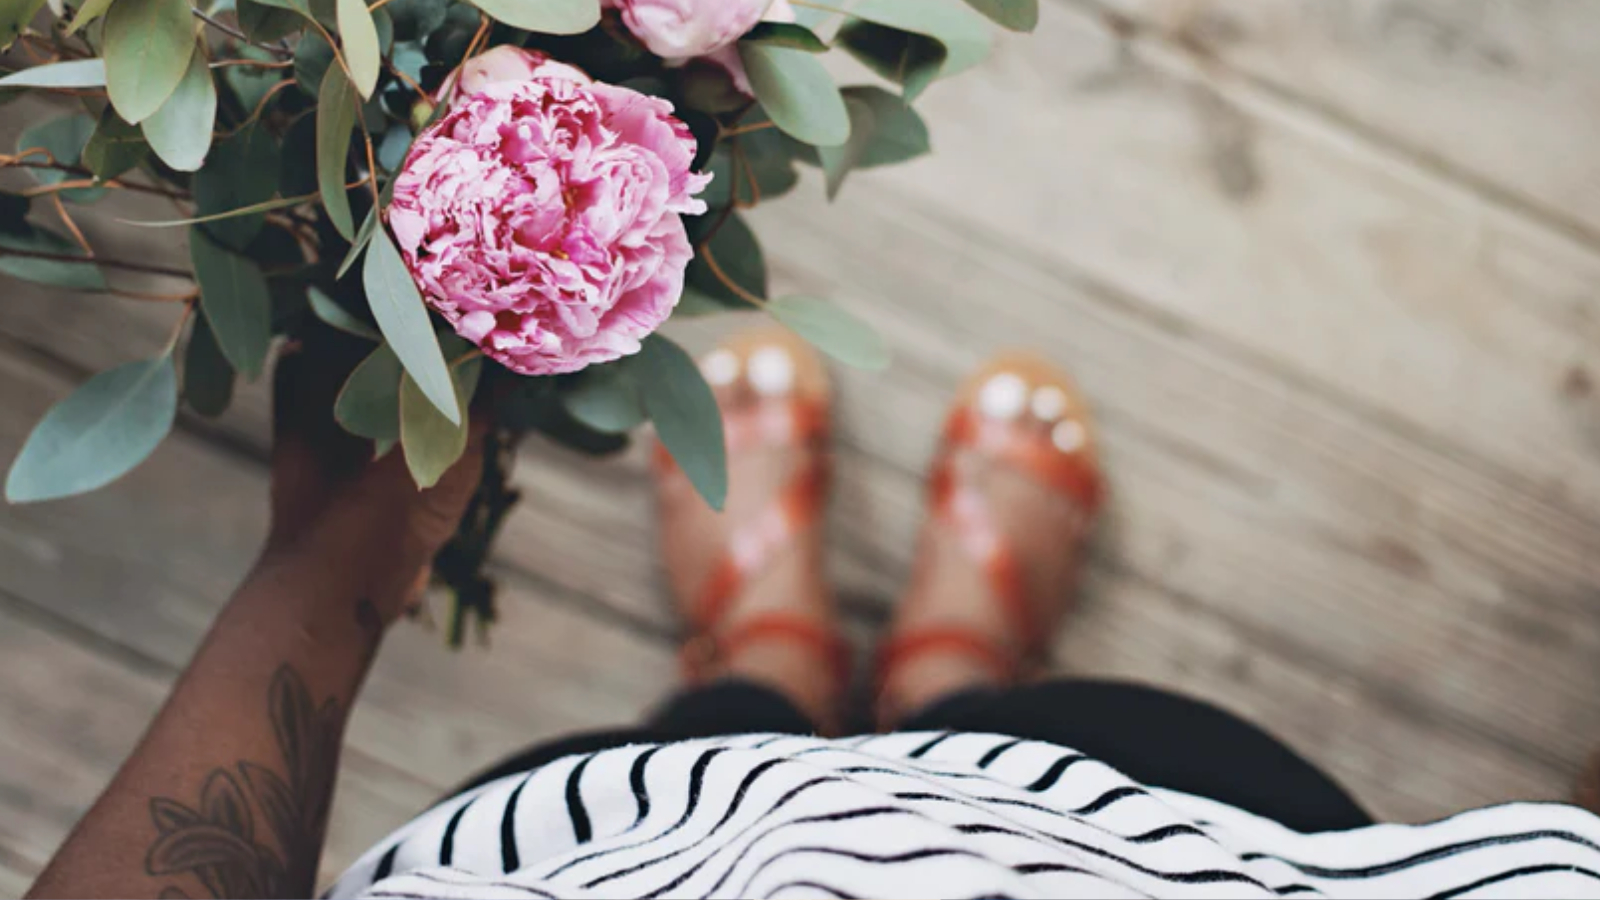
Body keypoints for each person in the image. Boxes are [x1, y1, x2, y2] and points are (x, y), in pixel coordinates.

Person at [26, 328, 1600, 900]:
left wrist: (337, 560)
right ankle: (964, 682)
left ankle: (758, 667)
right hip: (1175, 847)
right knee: (1065, 756)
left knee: (715, 752)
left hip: (622, 857)